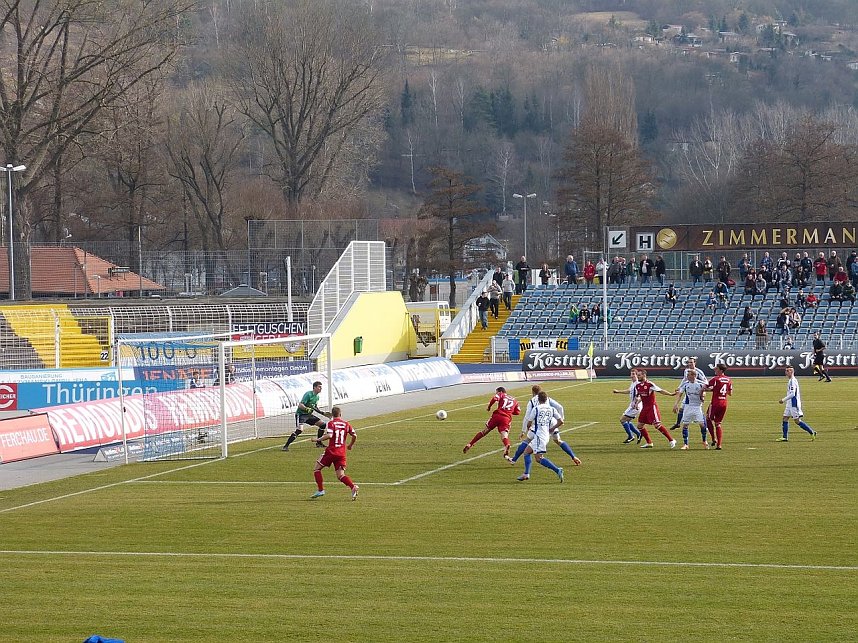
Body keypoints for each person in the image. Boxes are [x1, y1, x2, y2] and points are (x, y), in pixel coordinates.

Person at [508, 385, 581, 468]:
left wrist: (523, 430)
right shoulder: (547, 398)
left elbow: (527, 417)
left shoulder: (531, 401)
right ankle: (573, 456)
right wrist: (561, 419)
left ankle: (514, 459)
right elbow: (560, 407)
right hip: (552, 422)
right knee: (558, 441)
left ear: (533, 392)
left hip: (541, 425)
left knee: (527, 440)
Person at [512, 391, 566, 482]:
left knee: (538, 458)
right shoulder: (551, 409)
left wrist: (529, 429)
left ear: (538, 399)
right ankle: (526, 474)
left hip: (539, 436)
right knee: (526, 452)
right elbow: (561, 421)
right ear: (546, 399)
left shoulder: (536, 409)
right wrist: (552, 428)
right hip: (545, 435)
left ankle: (557, 470)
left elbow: (529, 423)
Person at [311, 407, 359, 500]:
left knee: (317, 469)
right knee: (341, 475)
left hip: (331, 451)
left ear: (332, 415)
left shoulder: (331, 423)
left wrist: (318, 439)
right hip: (341, 453)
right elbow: (354, 435)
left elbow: (329, 435)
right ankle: (352, 487)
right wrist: (350, 445)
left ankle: (321, 490)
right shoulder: (346, 424)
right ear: (340, 414)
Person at [463, 387, 521, 457]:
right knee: (504, 435)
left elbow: (494, 398)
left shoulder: (501, 394)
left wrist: (489, 407)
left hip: (497, 415)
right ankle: (507, 445)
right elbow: (518, 412)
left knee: (485, 431)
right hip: (506, 418)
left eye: (496, 392)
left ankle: (470, 444)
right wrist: (509, 411)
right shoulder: (514, 400)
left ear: (499, 391)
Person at [633, 369, 677, 448]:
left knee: (657, 425)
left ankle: (671, 440)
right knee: (639, 426)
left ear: (644, 375)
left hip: (652, 407)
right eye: (637, 375)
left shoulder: (650, 384)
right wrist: (637, 403)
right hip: (645, 408)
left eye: (639, 375)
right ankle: (649, 443)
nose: (637, 377)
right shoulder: (638, 386)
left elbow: (660, 390)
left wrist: (671, 394)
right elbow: (641, 396)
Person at [282, 381, 330, 451]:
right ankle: (285, 446)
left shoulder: (317, 397)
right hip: (301, 415)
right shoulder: (308, 394)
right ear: (314, 387)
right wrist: (306, 409)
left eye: (321, 387)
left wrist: (322, 413)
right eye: (319, 387)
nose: (321, 388)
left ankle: (318, 443)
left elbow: (314, 407)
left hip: (308, 415)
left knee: (322, 425)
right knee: (299, 430)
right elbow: (300, 405)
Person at [778, 367, 817, 442]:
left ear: (792, 372)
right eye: (786, 370)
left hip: (794, 404)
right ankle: (784, 437)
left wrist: (783, 400)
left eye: (788, 371)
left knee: (797, 421)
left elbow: (792, 394)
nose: (786, 372)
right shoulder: (790, 381)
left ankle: (812, 432)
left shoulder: (793, 381)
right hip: (789, 404)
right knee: (785, 418)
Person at [669, 357, 707, 430]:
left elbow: (705, 382)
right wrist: (679, 387)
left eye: (691, 362)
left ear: (695, 363)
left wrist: (700, 388)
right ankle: (677, 423)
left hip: (697, 393)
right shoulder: (686, 371)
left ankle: (705, 426)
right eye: (688, 362)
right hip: (688, 392)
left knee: (699, 410)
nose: (689, 364)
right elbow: (684, 380)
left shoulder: (699, 372)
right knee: (681, 409)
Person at [673, 370, 708, 450]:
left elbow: (705, 391)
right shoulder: (685, 384)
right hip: (688, 407)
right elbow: (680, 394)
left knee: (702, 425)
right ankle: (686, 444)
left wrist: (702, 396)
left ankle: (704, 441)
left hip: (697, 407)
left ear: (693, 376)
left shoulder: (700, 384)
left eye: (688, 375)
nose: (687, 377)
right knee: (685, 425)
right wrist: (676, 404)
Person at [703, 363, 732, 450]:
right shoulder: (728, 379)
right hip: (724, 403)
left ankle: (713, 438)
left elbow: (705, 386)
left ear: (721, 370)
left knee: (708, 419)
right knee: (718, 423)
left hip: (715, 403)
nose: (715, 370)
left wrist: (708, 390)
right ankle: (719, 445)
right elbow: (730, 393)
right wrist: (718, 390)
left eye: (716, 369)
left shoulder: (715, 379)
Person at [612, 371, 644, 443]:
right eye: (631, 374)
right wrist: (618, 391)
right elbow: (629, 391)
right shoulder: (633, 383)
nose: (632, 376)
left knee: (622, 420)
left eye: (634, 374)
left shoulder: (638, 384)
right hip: (632, 405)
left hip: (636, 406)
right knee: (627, 421)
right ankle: (638, 434)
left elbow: (641, 395)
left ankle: (631, 436)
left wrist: (637, 402)